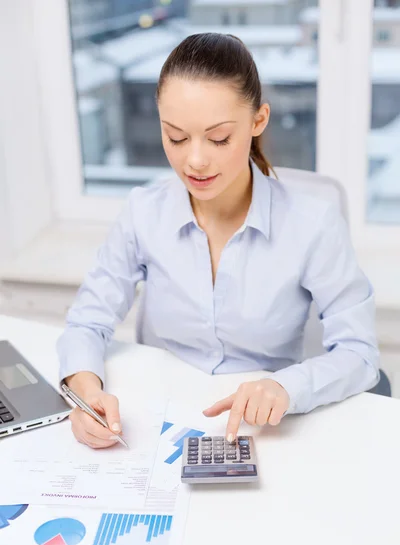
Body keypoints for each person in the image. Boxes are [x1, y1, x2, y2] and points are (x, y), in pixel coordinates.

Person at [57, 33, 379, 449]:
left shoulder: (312, 223)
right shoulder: (143, 211)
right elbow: (87, 320)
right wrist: (85, 392)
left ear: (258, 120)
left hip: (267, 429)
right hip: (156, 422)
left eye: (219, 138)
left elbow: (360, 353)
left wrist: (287, 387)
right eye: (175, 137)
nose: (194, 160)